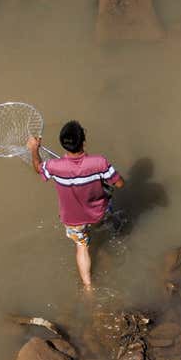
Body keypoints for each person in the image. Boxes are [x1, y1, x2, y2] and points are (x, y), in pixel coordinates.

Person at [29, 120, 124, 290]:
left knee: (81, 246)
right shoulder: (99, 162)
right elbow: (119, 184)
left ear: (63, 144)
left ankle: (88, 287)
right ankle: (112, 231)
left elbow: (38, 168)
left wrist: (34, 149)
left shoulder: (53, 166)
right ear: (83, 141)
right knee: (109, 216)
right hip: (98, 213)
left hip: (73, 220)